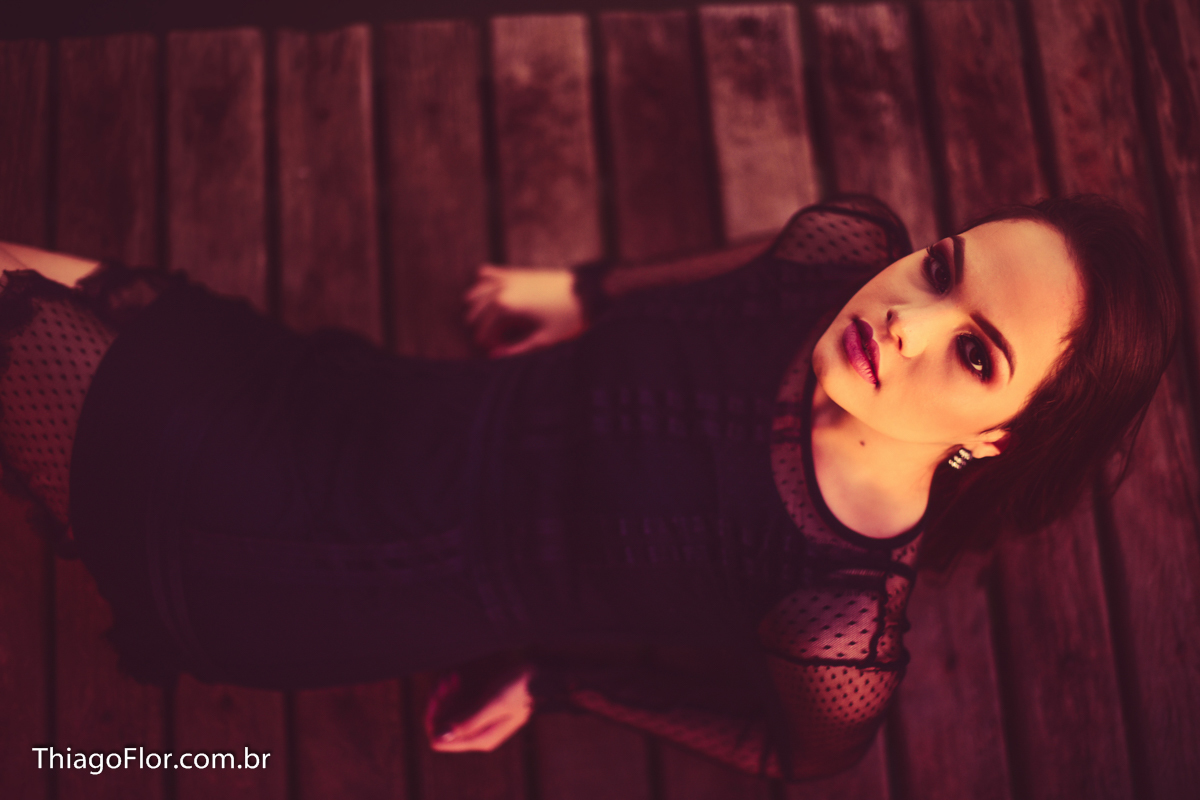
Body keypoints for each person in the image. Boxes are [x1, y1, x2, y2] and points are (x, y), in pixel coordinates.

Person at [0, 194, 1178, 782]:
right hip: (362, 397)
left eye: (974, 352)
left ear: (1001, 440)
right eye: (943, 266)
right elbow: (738, 274)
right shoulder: (843, 244)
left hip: (310, 551)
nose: (904, 315)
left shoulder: (838, 611)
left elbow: (797, 752)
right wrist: (581, 291)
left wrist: (557, 681)